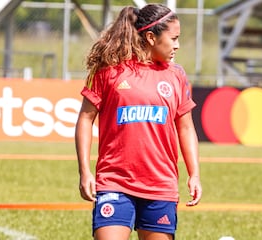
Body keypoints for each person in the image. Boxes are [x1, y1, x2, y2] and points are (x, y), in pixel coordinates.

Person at [75, 3, 202, 240]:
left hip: (160, 186)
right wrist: (84, 171)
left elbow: (185, 127)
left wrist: (194, 173)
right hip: (114, 183)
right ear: (152, 37)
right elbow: (85, 119)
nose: (178, 45)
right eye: (173, 38)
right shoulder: (108, 70)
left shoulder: (177, 75)